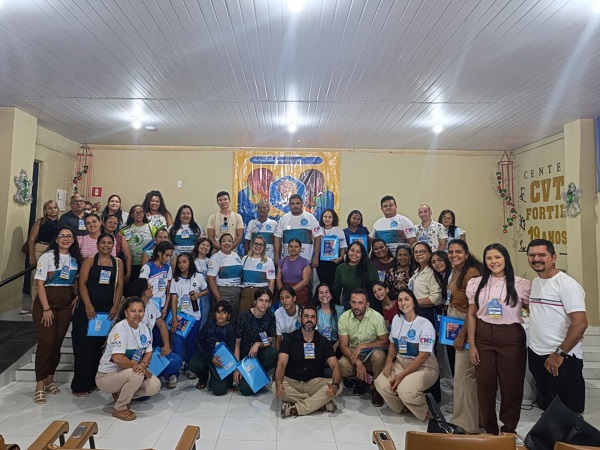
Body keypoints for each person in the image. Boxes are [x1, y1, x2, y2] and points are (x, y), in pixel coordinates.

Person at [467, 243, 532, 435]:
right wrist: (472, 345)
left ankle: (509, 430)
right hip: (483, 337)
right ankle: (490, 430)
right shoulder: (476, 283)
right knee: (484, 386)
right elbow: (471, 315)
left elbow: (534, 310)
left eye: (497, 257)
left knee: (511, 385)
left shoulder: (521, 284)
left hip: (511, 337)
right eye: (489, 258)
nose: (493, 261)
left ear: (505, 259)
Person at [527, 239, 588, 413]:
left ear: (553, 257)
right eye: (532, 255)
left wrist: (560, 353)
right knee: (547, 404)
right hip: (537, 353)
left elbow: (580, 322)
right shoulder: (536, 282)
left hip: (561, 356)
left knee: (568, 410)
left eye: (542, 255)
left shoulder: (567, 285)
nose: (536, 259)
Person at [32, 226, 81, 404]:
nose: (65, 239)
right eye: (62, 236)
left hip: (64, 306)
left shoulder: (75, 259)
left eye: (69, 236)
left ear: (73, 239)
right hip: (46, 305)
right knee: (46, 343)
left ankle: (49, 379)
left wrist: (77, 296)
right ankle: (39, 385)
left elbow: (76, 282)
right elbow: (39, 284)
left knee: (57, 344)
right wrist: (46, 308)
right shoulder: (47, 257)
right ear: (56, 239)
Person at [71, 232, 124, 397]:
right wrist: (87, 305)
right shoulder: (89, 261)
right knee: (85, 347)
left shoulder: (118, 263)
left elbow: (120, 285)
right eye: (103, 242)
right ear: (97, 244)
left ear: (113, 245)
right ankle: (80, 385)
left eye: (109, 243)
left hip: (106, 311)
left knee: (100, 347)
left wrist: (115, 306)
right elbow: (82, 283)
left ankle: (96, 382)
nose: (106, 245)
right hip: (88, 310)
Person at [374, 287, 439, 420]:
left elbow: (423, 357)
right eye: (400, 300)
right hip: (401, 362)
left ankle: (427, 412)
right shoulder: (397, 319)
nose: (403, 303)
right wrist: (388, 361)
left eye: (407, 299)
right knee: (380, 383)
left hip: (424, 366)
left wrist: (401, 375)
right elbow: (393, 343)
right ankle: (403, 407)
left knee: (405, 390)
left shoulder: (425, 324)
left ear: (413, 302)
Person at [95, 297, 161, 421]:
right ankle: (120, 408)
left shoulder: (144, 328)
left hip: (128, 372)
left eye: (140, 311)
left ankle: (121, 394)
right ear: (126, 312)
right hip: (106, 376)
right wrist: (138, 367)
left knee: (154, 385)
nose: (137, 314)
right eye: (133, 311)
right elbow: (118, 358)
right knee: (136, 375)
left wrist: (143, 364)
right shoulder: (120, 329)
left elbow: (148, 351)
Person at [275, 304, 343, 417]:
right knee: (275, 387)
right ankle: (319, 403)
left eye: (312, 317)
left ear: (317, 320)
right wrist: (278, 384)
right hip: (292, 382)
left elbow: (335, 366)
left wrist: (335, 386)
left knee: (339, 385)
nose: (309, 320)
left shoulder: (323, 341)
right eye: (306, 316)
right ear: (300, 319)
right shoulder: (289, 339)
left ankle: (296, 408)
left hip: (314, 383)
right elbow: (281, 364)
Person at [447, 239, 483, 434]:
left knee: (464, 375)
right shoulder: (456, 270)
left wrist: (463, 335)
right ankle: (477, 418)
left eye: (458, 252)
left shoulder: (472, 273)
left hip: (467, 326)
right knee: (464, 374)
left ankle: (466, 425)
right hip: (456, 321)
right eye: (451, 252)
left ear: (467, 254)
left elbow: (473, 309)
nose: (454, 255)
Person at [127, 278, 182, 390]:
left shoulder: (151, 303)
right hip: (135, 355)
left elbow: (161, 324)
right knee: (144, 396)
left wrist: (166, 345)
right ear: (145, 292)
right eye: (150, 287)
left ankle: (152, 374)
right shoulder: (132, 311)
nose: (152, 289)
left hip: (149, 351)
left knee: (176, 361)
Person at [338, 289, 389, 406]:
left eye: (360, 303)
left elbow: (385, 342)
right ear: (350, 303)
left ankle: (376, 388)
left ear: (367, 304)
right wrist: (358, 363)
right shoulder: (344, 317)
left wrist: (363, 346)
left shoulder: (377, 317)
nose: (356, 306)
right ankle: (360, 380)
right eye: (353, 302)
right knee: (341, 365)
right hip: (354, 356)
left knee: (379, 356)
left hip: (372, 356)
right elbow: (343, 346)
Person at [169, 252, 209, 382]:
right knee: (177, 344)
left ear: (190, 262)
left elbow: (207, 290)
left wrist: (198, 295)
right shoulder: (175, 280)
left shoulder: (198, 276)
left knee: (191, 344)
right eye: (179, 262)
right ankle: (174, 372)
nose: (181, 265)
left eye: (184, 262)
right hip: (181, 317)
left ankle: (189, 367)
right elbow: (173, 299)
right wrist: (174, 318)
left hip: (195, 317)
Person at [233, 287, 278, 396]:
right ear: (255, 301)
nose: (263, 304)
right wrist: (237, 367)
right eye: (261, 300)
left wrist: (258, 344)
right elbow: (237, 344)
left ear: (270, 303)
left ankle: (258, 374)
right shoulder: (244, 316)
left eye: (266, 301)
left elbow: (269, 340)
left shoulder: (270, 316)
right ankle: (252, 376)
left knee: (273, 354)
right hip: (245, 356)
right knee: (245, 390)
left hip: (259, 353)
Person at [188, 301, 236, 394]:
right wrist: (210, 357)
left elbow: (231, 352)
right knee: (193, 364)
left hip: (220, 361)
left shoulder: (231, 329)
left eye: (224, 313)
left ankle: (215, 378)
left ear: (229, 315)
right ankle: (203, 378)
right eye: (218, 312)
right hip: (206, 356)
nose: (220, 315)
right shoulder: (209, 324)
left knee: (219, 391)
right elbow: (198, 342)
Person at [273, 193, 323, 267]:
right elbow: (277, 237)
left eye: (297, 203)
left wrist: (316, 257)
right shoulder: (283, 219)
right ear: (289, 205)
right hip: (287, 261)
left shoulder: (310, 218)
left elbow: (317, 237)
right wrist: (277, 256)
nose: (295, 206)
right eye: (292, 204)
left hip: (306, 260)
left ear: (302, 204)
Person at [332, 241, 379, 311]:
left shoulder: (369, 267)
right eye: (352, 250)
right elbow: (336, 290)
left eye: (358, 252)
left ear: (362, 255)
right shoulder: (341, 268)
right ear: (348, 252)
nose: (354, 254)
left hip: (367, 304)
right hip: (348, 303)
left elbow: (376, 287)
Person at [27, 200, 59, 302]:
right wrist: (32, 255)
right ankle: (35, 305)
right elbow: (32, 238)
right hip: (40, 248)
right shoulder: (41, 221)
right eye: (50, 208)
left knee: (50, 279)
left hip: (54, 251)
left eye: (54, 207)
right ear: (45, 210)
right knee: (37, 279)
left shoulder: (60, 222)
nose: (53, 210)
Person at [207, 233, 243, 324]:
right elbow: (210, 279)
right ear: (220, 243)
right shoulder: (215, 257)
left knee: (233, 320)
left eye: (229, 241)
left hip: (236, 293)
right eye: (224, 241)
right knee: (221, 320)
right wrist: (218, 298)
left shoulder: (236, 256)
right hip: (223, 293)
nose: (227, 243)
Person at [408, 242, 442, 326]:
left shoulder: (432, 272)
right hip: (415, 311)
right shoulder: (416, 272)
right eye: (416, 252)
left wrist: (413, 302)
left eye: (422, 251)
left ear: (429, 254)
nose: (418, 254)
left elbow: (436, 298)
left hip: (427, 313)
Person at [120, 204, 156, 282]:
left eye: (141, 212)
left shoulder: (151, 227)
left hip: (148, 263)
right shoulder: (124, 230)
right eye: (136, 212)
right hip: (130, 265)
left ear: (144, 214)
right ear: (132, 215)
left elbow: (157, 243)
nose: (139, 214)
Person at [240, 235, 276, 313]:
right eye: (256, 244)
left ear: (264, 247)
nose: (258, 246)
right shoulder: (244, 259)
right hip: (245, 294)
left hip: (261, 294)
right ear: (252, 245)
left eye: (261, 244)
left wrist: (269, 298)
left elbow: (272, 282)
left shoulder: (269, 262)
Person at [139, 241, 174, 320]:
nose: (168, 258)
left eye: (170, 256)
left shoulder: (168, 268)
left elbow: (169, 290)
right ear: (159, 253)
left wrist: (166, 307)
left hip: (162, 304)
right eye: (167, 255)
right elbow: (141, 287)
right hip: (149, 303)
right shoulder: (148, 267)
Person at [276, 238, 311, 307]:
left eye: (296, 247)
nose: (293, 249)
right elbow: (278, 279)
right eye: (291, 246)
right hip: (284, 292)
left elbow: (305, 281)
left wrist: (290, 291)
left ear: (300, 248)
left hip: (300, 293)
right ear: (288, 248)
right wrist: (282, 291)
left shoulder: (305, 262)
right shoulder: (281, 262)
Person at [316, 208, 347, 286]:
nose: (327, 219)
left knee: (334, 283)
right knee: (323, 282)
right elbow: (315, 246)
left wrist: (341, 258)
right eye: (325, 217)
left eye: (330, 217)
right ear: (322, 218)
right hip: (321, 261)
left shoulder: (339, 231)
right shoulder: (318, 230)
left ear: (333, 218)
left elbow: (342, 246)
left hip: (335, 261)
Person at [312, 283, 344, 355]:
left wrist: (335, 346)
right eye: (321, 292)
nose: (324, 295)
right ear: (317, 296)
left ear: (331, 295)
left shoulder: (340, 310)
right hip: (318, 344)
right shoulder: (314, 311)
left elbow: (345, 333)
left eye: (327, 292)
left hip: (337, 344)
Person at [103, 214, 132, 283]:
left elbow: (128, 256)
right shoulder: (98, 236)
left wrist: (128, 273)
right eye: (110, 222)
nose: (112, 224)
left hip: (116, 268)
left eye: (115, 223)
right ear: (103, 223)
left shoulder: (120, 237)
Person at [192, 237, 213, 328]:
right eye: (203, 245)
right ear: (198, 246)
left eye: (208, 246)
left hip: (206, 292)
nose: (205, 247)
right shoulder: (191, 260)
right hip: (194, 292)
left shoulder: (211, 261)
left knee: (205, 315)